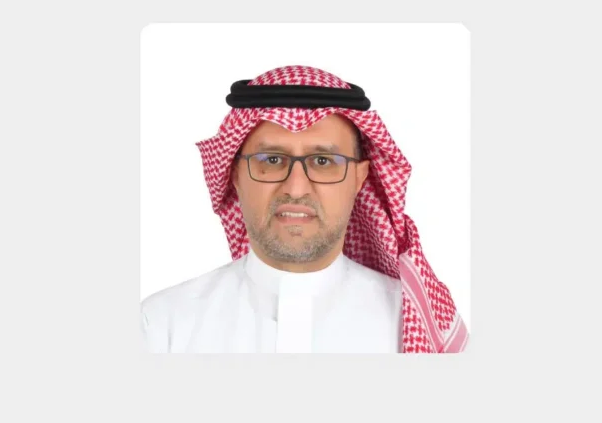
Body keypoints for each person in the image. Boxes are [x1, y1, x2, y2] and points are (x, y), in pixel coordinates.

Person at [140, 65, 468, 353]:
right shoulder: (160, 327)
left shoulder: (416, 327)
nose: (296, 188)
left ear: (359, 178)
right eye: (271, 159)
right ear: (235, 174)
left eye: (323, 161)